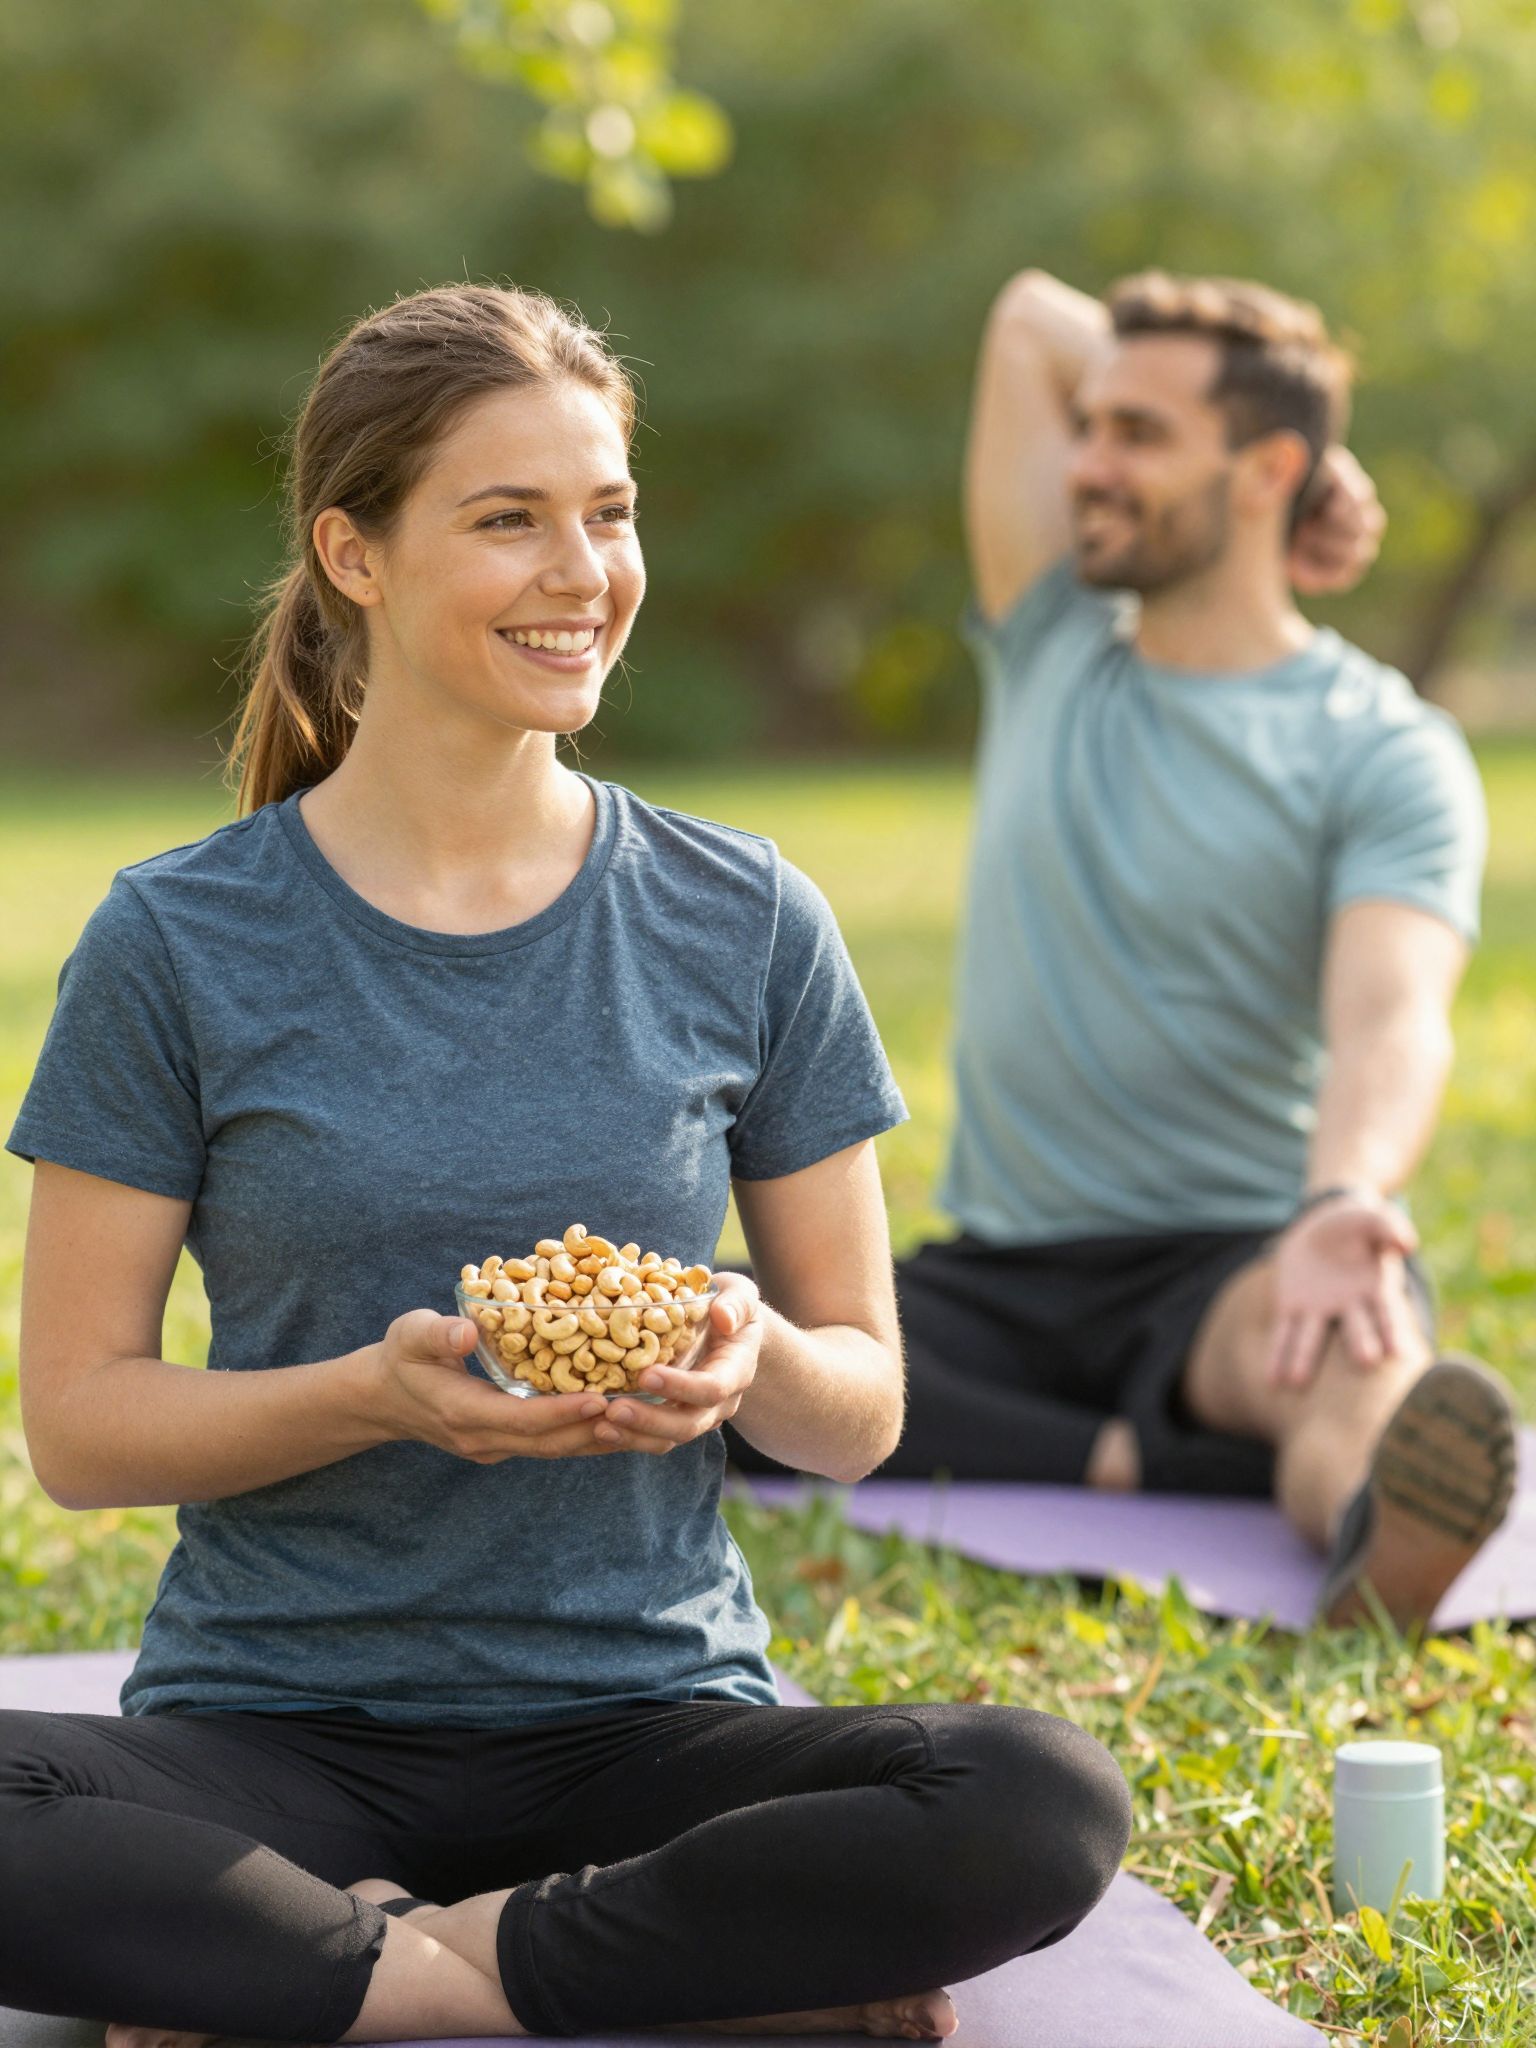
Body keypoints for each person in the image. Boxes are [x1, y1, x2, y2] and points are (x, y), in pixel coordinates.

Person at [0, 284, 1131, 2047]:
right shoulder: (177, 939)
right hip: (275, 1729)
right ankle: (640, 1972)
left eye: (607, 513)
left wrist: (753, 1355)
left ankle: (353, 1972)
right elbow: (79, 1429)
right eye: (508, 518)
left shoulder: (744, 914)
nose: (583, 569)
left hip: (651, 1725)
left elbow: (866, 1402)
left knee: (1038, 1798)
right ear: (353, 554)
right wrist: (381, 1394)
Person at [728, 268, 1516, 1635]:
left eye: (1140, 436)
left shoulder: (1384, 748)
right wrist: (1304, 451)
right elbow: (1030, 313)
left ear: (1263, 469)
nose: (1090, 463)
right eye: (1089, 426)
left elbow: (1395, 1015)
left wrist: (1342, 1208)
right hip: (1002, 1273)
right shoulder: (1053, 645)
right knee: (716, 1328)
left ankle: (1373, 1532)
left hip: (1240, 1260)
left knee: (1345, 1366)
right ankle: (1144, 1465)